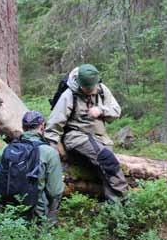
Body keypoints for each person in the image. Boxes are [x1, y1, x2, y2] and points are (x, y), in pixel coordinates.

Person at [45, 64, 128, 201]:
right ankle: (122, 200)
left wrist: (101, 110)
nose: (90, 91)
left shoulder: (102, 89)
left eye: (92, 88)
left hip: (100, 138)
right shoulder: (69, 95)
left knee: (105, 166)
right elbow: (53, 125)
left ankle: (111, 205)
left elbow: (116, 111)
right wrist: (54, 152)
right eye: (86, 88)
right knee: (107, 159)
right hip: (76, 136)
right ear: (79, 84)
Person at [0, 111, 64, 225]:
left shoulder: (9, 149)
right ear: (42, 126)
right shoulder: (49, 152)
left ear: (23, 127)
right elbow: (55, 192)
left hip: (8, 211)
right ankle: (48, 226)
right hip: (36, 214)